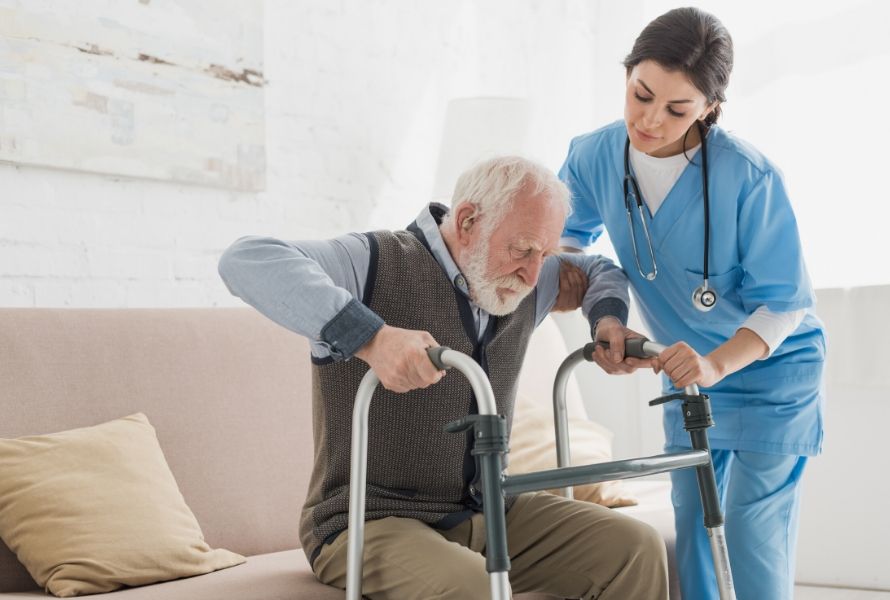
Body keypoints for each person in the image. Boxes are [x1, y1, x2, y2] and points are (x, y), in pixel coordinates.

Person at [218, 156, 669, 600]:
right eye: (523, 250)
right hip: (366, 521)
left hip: (487, 509)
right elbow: (246, 259)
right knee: (472, 584)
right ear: (469, 220)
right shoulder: (374, 262)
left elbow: (596, 270)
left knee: (635, 548)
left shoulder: (522, 282)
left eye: (545, 254)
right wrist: (372, 339)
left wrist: (607, 320)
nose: (534, 273)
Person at [558, 7, 826, 600]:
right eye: (640, 94)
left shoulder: (750, 177)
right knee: (696, 530)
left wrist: (716, 364)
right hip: (686, 376)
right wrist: (606, 318)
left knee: (752, 534)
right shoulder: (592, 156)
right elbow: (564, 244)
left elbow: (783, 305)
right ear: (627, 73)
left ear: (709, 107)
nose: (650, 120)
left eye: (677, 109)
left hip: (771, 372)